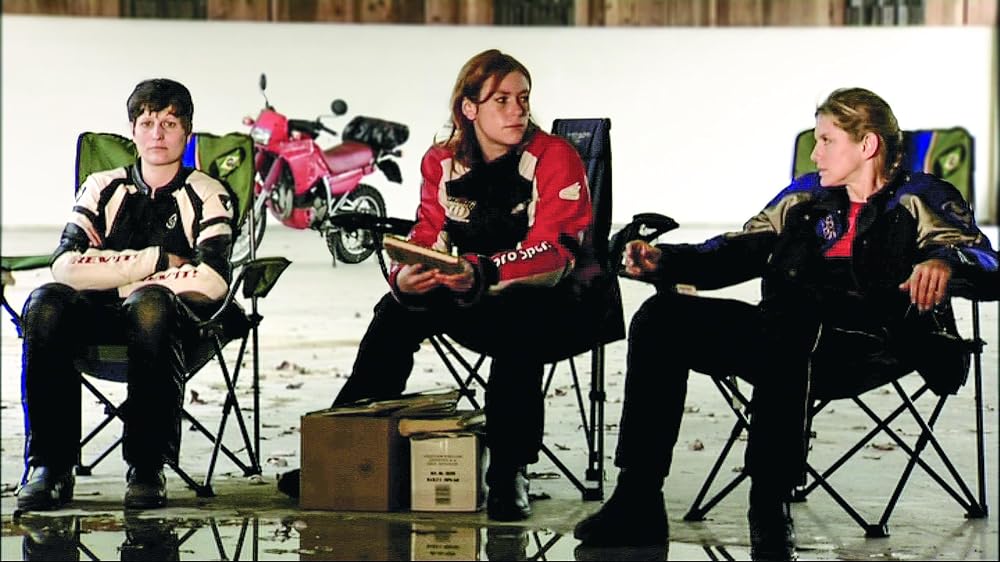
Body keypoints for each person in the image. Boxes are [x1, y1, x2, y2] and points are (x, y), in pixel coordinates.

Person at [573, 88, 998, 559]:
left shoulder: (922, 197)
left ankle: (769, 503)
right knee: (662, 318)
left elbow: (987, 262)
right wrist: (664, 260)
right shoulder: (805, 196)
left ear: (867, 145)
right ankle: (638, 497)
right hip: (784, 336)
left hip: (874, 344)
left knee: (789, 327)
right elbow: (736, 249)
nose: (815, 153)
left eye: (826, 140)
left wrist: (944, 262)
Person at [331, 49, 597, 521]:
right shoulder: (442, 160)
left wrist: (481, 271)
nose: (518, 110)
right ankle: (344, 451)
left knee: (522, 319)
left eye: (523, 98)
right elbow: (427, 232)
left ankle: (510, 470)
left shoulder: (555, 156)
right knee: (395, 311)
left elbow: (555, 252)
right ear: (468, 108)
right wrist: (406, 277)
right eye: (502, 100)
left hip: (554, 299)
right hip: (471, 288)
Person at [16, 78, 235, 511]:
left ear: (187, 132)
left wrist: (113, 276)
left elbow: (212, 280)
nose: (158, 134)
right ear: (133, 130)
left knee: (149, 305)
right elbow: (64, 265)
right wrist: (156, 261)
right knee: (45, 303)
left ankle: (147, 467)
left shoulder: (208, 192)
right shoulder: (102, 186)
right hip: (99, 321)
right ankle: (50, 467)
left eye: (169, 123)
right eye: (147, 123)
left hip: (176, 330)